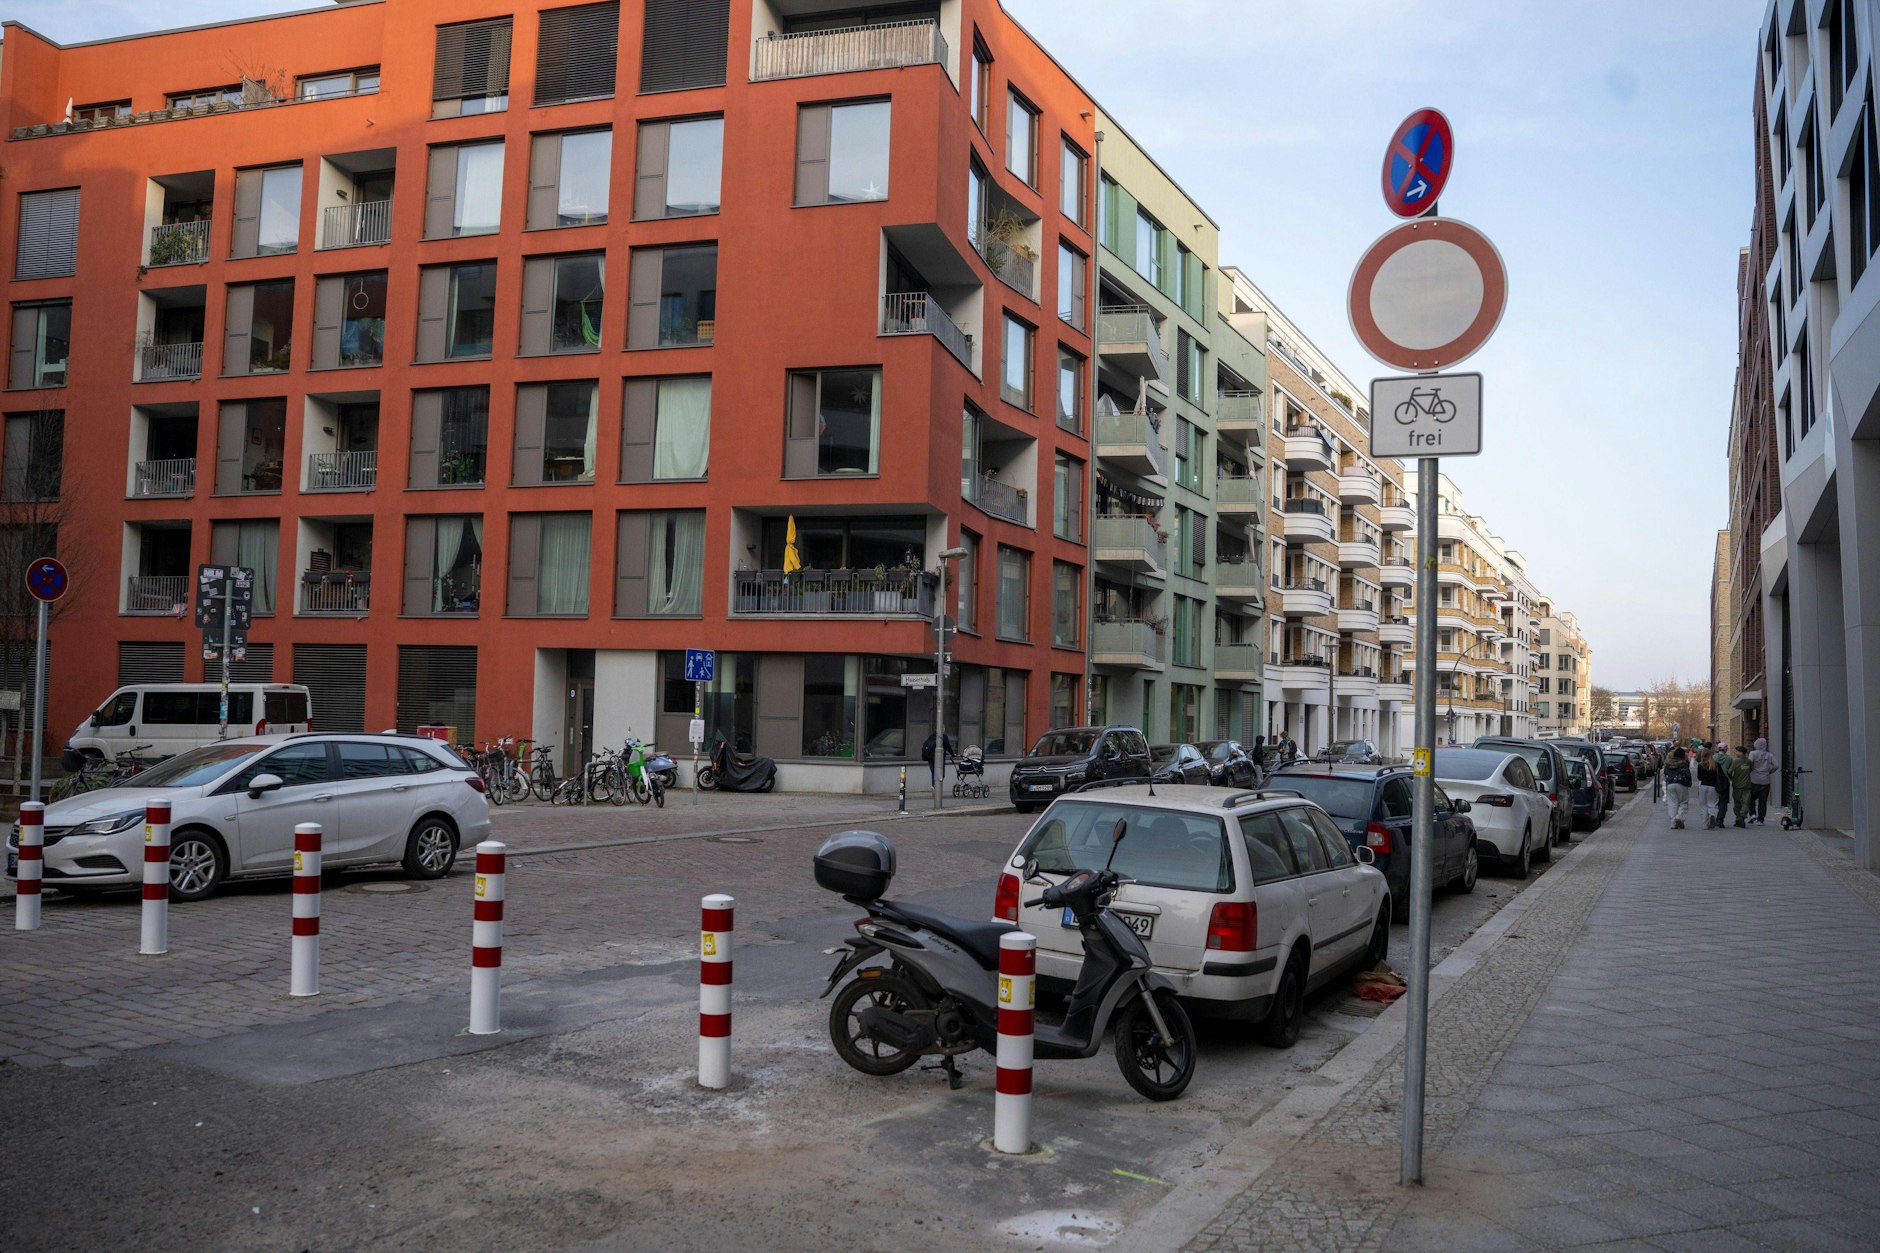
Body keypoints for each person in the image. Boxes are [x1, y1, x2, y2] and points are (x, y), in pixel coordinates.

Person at [1746, 737, 1778, 824]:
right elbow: (1776, 765)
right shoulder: (1769, 755)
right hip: (1765, 781)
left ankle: (1752, 814)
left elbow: (1749, 763)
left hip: (1754, 780)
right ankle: (1761, 819)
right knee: (1762, 801)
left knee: (1751, 798)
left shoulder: (1753, 753)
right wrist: (1769, 771)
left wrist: (1751, 770)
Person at [1663, 743, 1693, 829]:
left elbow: (1665, 773)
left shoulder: (1668, 764)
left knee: (1672, 804)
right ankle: (1679, 817)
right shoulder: (1683, 764)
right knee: (1683, 802)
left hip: (1670, 785)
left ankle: (1673, 823)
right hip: (1682, 784)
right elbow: (1688, 774)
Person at [1696, 748, 1724, 830]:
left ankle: (1705, 825)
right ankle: (1713, 815)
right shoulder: (1716, 764)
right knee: (1713, 804)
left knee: (1703, 806)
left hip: (1703, 786)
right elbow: (1721, 776)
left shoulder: (1700, 765)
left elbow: (1699, 777)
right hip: (1713, 787)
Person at [1726, 743, 1752, 829]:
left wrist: (1732, 778)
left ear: (1741, 752)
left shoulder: (1735, 761)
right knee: (1745, 802)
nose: (1735, 753)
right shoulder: (1749, 761)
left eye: (1737, 751)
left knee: (1737, 803)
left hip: (1737, 785)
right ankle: (1742, 816)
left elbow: (1729, 772)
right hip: (1747, 785)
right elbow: (1751, 770)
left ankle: (1738, 818)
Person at [1712, 743, 1735, 826]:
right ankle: (1720, 819)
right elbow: (1730, 771)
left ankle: (1713, 817)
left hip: (1715, 780)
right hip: (1725, 781)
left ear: (1718, 749)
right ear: (1725, 749)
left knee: (1715, 800)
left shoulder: (1714, 757)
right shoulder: (1729, 759)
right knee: (1724, 801)